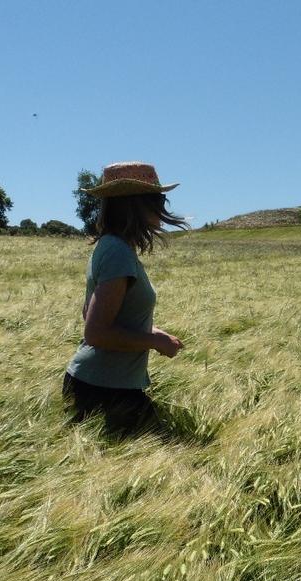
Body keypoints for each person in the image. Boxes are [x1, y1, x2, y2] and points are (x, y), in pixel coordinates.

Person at [63, 161, 188, 436]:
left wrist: (152, 331)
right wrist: (154, 341)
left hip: (102, 384)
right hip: (104, 389)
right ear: (136, 203)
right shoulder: (117, 251)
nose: (163, 204)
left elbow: (91, 313)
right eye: (157, 197)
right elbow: (95, 331)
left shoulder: (112, 246)